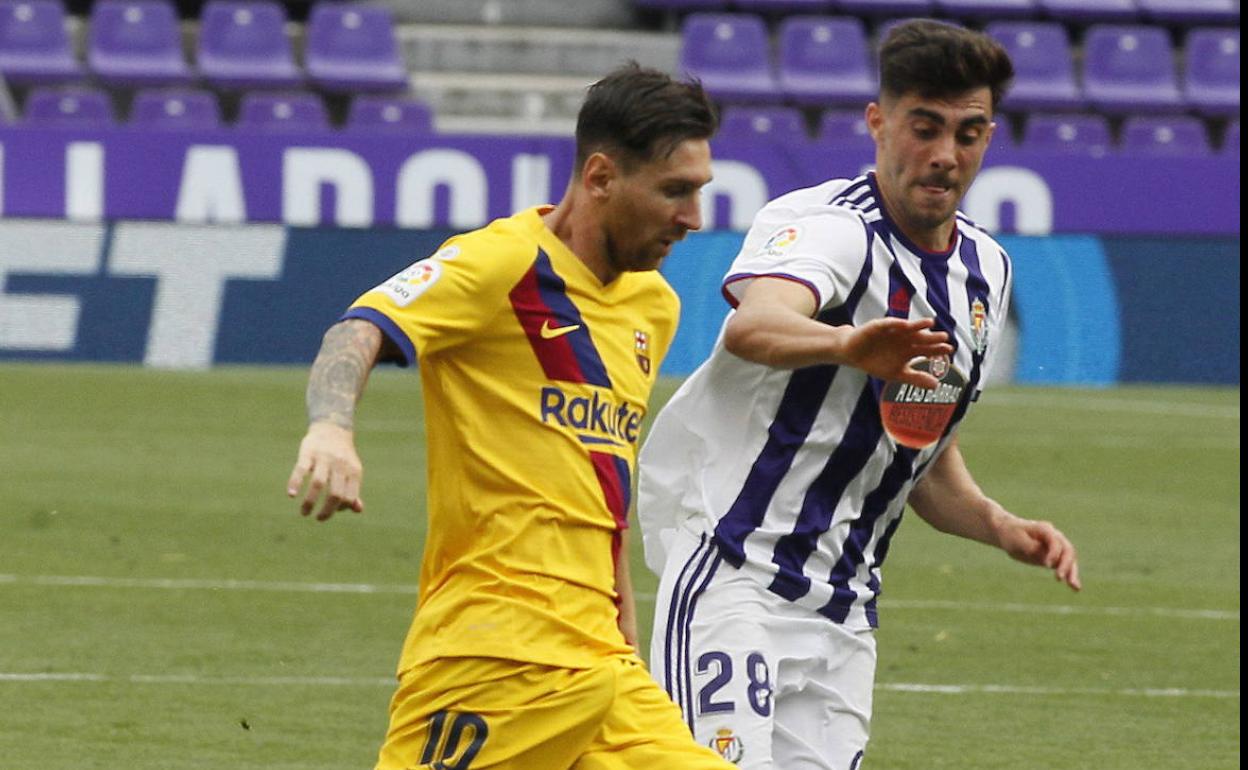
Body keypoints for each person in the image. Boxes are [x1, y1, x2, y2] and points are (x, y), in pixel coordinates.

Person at [637, 19, 1081, 770]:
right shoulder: (830, 228)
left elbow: (921, 451)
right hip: (734, 576)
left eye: (969, 133)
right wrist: (848, 343)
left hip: (842, 614)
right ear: (878, 123)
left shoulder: (987, 271)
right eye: (925, 128)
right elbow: (756, 324)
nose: (946, 155)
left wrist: (999, 524)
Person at [285, 64, 735, 770]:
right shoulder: (499, 264)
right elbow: (360, 328)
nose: (693, 219)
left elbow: (599, 477)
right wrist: (330, 427)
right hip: (492, 654)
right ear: (600, 177)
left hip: (601, 665)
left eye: (700, 192)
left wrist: (624, 620)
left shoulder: (656, 306)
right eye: (674, 192)